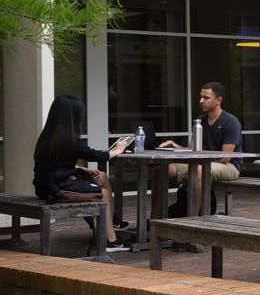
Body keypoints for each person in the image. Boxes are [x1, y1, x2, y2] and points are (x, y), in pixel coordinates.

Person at [33, 95, 132, 252]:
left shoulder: (48, 137)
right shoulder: (69, 140)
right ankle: (111, 242)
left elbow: (56, 165)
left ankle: (109, 219)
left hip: (45, 185)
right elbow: (99, 156)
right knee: (104, 193)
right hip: (56, 190)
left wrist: (82, 169)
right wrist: (119, 149)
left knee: (102, 176)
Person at [154, 81, 241, 216]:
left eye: (206, 98)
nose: (201, 101)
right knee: (162, 170)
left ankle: (193, 221)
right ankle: (155, 219)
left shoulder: (230, 121)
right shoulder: (201, 121)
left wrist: (201, 160)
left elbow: (225, 157)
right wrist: (176, 147)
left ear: (218, 100)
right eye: (200, 97)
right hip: (204, 163)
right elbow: (192, 150)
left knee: (199, 171)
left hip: (229, 166)